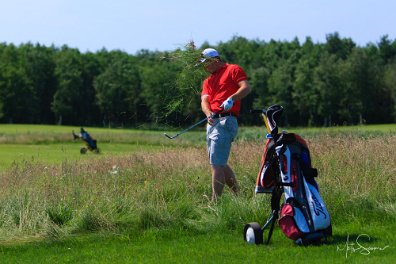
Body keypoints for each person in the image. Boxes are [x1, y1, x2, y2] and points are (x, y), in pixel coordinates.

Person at [198, 48, 251, 201]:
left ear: (215, 60)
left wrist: (232, 99)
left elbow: (246, 87)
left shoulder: (233, 69)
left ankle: (215, 204)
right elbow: (204, 101)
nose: (205, 67)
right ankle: (239, 196)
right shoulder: (208, 81)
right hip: (212, 121)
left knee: (216, 164)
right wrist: (208, 113)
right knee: (219, 162)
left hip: (226, 120)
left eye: (206, 63)